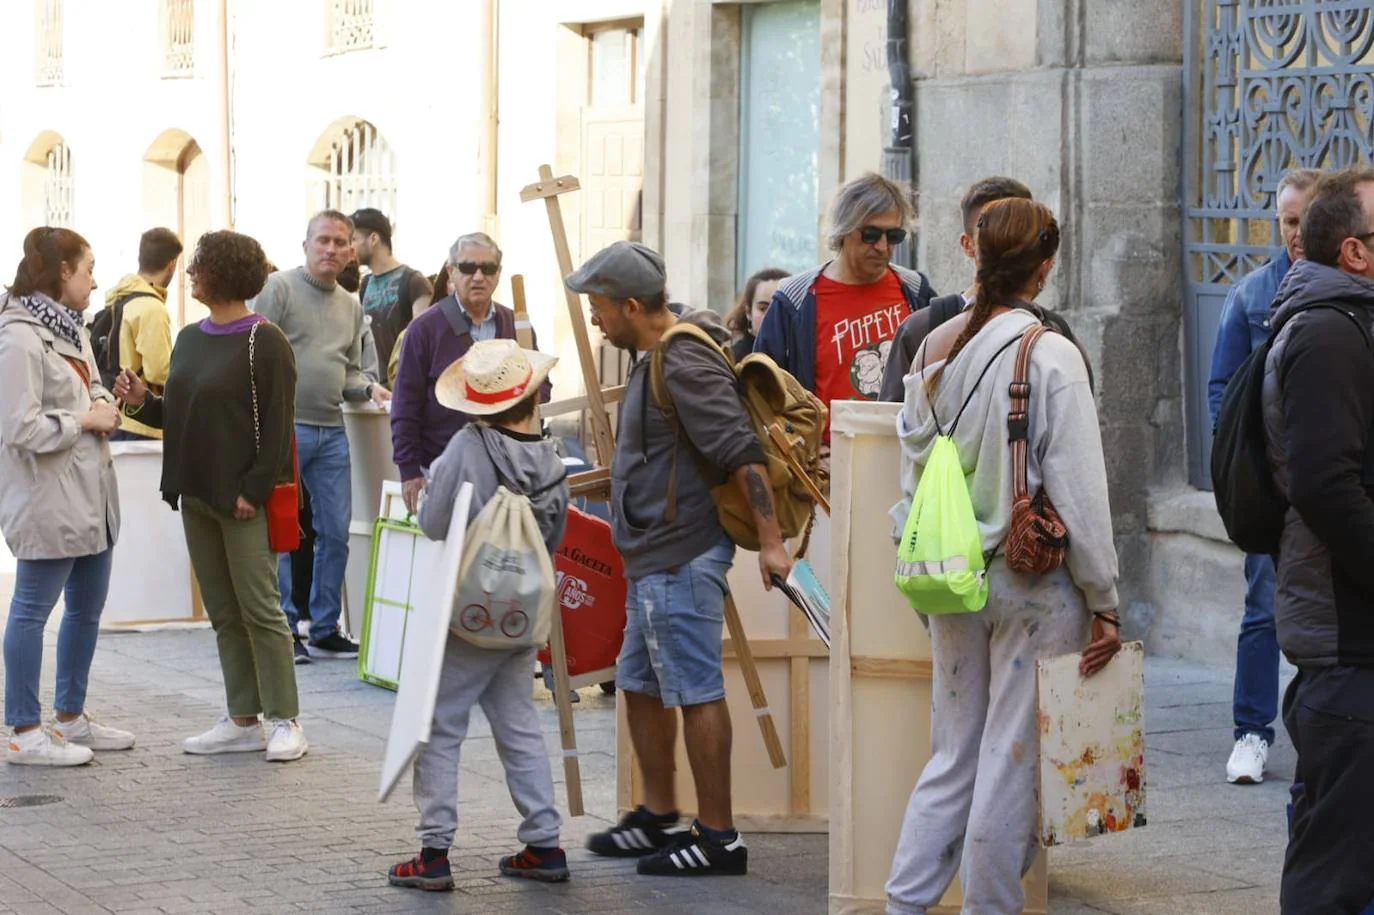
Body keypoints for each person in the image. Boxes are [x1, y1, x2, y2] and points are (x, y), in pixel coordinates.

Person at [884, 198, 1120, 913]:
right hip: (1031, 582)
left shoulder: (931, 348)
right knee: (1010, 761)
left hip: (950, 580)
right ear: (1045, 268)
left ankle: (904, 903)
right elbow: (1080, 491)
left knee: (953, 753)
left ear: (975, 256)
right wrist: (1104, 597)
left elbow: (912, 479)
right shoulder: (1049, 353)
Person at [572, 241, 790, 877]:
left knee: (694, 690)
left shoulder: (684, 358)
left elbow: (740, 452)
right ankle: (657, 813)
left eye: (599, 308)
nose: (593, 319)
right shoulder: (656, 349)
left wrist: (772, 543)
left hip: (682, 555)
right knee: (638, 681)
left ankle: (720, 838)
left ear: (633, 306)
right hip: (651, 556)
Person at [113, 231, 307, 762]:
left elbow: (277, 425)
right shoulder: (193, 338)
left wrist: (253, 491)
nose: (190, 274)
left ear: (221, 273)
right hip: (195, 493)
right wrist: (139, 402)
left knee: (261, 609)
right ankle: (242, 718)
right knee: (223, 612)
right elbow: (179, 415)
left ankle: (285, 719)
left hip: (241, 499)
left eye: (198, 267)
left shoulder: (264, 341)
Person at [388, 338, 570, 891]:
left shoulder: (469, 447)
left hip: (467, 613)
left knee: (440, 725)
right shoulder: (551, 456)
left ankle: (434, 851)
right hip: (520, 613)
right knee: (518, 724)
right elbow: (556, 535)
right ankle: (544, 842)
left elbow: (435, 522)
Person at [1258, 168, 1374, 912]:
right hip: (1349, 645)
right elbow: (1326, 487)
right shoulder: (1330, 332)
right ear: (1357, 253)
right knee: (1334, 876)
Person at [1, 227, 132, 766]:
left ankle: (71, 718)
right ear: (62, 272)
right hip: (49, 498)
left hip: (90, 496)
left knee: (86, 608)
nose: (95, 281)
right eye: (88, 269)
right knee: (33, 610)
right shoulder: (18, 338)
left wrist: (106, 402)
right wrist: (84, 419)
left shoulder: (72, 330)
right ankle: (24, 731)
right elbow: (18, 426)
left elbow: (91, 387)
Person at [1207, 167, 1321, 786]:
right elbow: (1222, 388)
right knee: (1262, 610)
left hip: (1327, 484)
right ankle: (1251, 733)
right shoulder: (1251, 295)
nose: (1296, 233)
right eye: (1287, 220)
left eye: (1305, 219)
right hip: (1273, 492)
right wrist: (1243, 469)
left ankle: (1318, 730)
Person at [252, 210, 390, 663]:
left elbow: (350, 370)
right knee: (286, 534)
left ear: (352, 250)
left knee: (336, 532)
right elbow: (251, 349)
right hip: (285, 427)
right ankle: (286, 629)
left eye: (340, 242)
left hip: (332, 429)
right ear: (306, 245)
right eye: (323, 241)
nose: (331, 249)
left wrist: (369, 388)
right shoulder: (280, 288)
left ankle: (325, 627)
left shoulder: (351, 304)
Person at [391, 233, 549, 516]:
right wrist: (409, 469)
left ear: (498, 274)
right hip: (443, 469)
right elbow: (405, 404)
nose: (478, 277)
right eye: (468, 268)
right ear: (451, 272)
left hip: (509, 474)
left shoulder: (517, 325)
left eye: (487, 268)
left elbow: (542, 386)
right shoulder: (424, 329)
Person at [753, 172, 936, 413]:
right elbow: (761, 390)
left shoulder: (915, 291)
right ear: (843, 230)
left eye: (893, 236)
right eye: (870, 235)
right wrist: (804, 445)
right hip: (828, 448)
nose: (882, 247)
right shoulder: (795, 300)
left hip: (900, 447)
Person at [879, 178, 1029, 402]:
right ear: (968, 244)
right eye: (992, 233)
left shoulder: (1053, 331)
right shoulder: (920, 331)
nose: (1008, 245)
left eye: (1021, 232)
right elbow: (890, 429)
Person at [100, 227, 182, 440]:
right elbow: (159, 371)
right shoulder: (152, 307)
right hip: (143, 423)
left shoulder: (119, 297)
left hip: (117, 414)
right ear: (172, 264)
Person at [352, 208, 433, 372]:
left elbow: (421, 341)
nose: (350, 247)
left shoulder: (414, 281)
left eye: (354, 239)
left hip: (403, 383)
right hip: (373, 384)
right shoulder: (365, 284)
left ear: (373, 239)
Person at [726, 267, 787, 363]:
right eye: (763, 308)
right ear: (749, 312)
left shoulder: (805, 356)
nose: (771, 316)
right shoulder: (732, 361)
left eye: (780, 308)